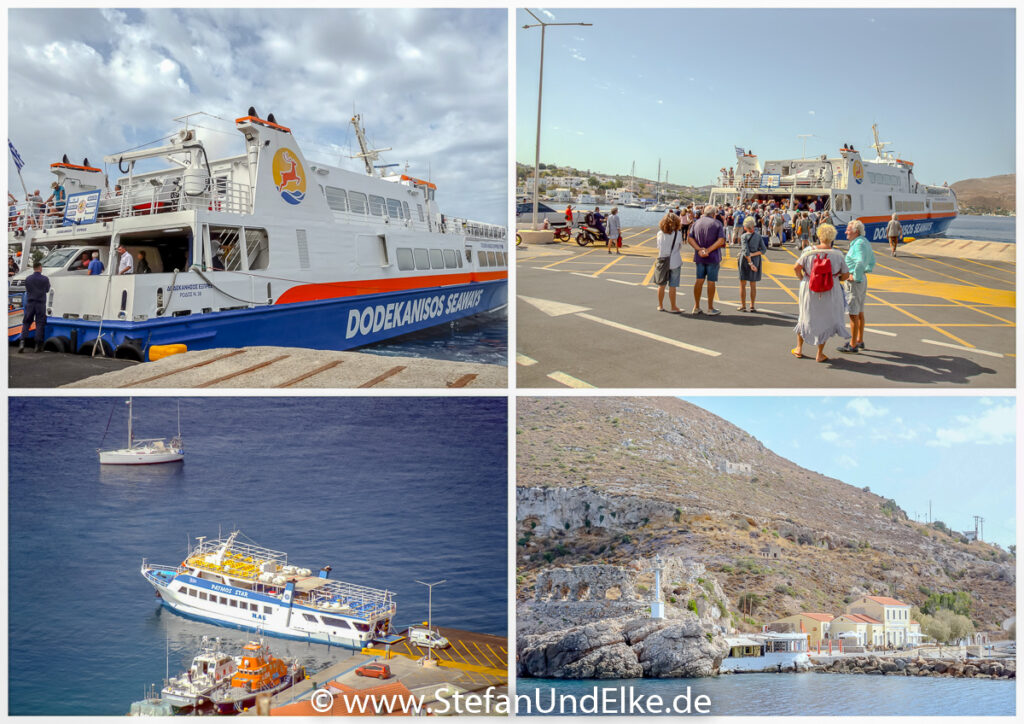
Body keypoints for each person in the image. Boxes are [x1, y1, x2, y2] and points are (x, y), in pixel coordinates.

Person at [792, 223, 851, 362]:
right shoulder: (838, 254)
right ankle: (820, 353)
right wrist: (836, 279)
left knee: (805, 316)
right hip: (830, 289)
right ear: (832, 237)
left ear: (819, 235)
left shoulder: (808, 250)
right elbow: (846, 274)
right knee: (825, 319)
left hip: (809, 287)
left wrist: (802, 278)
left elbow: (796, 267)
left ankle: (799, 348)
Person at [838, 220, 875, 354]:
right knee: (859, 311)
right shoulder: (864, 241)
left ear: (856, 231)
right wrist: (866, 270)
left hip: (855, 281)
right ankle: (859, 339)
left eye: (848, 230)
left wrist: (855, 275)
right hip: (862, 280)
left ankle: (853, 345)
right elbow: (872, 260)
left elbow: (859, 261)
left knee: (853, 313)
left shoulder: (858, 244)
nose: (846, 232)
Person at [687, 205, 726, 315]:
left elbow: (690, 239)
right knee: (711, 282)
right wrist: (708, 250)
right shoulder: (717, 224)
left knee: (699, 280)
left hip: (699, 257)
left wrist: (699, 250)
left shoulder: (696, 223)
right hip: (713, 257)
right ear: (714, 214)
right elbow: (721, 240)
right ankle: (710, 307)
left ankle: (696, 306)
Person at [655, 212, 683, 313]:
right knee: (673, 286)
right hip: (675, 261)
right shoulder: (678, 234)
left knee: (661, 285)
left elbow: (659, 247)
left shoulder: (660, 233)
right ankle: (673, 306)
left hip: (662, 261)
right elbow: (679, 247)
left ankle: (660, 305)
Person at [737, 216, 766, 312]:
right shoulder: (758, 236)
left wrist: (750, 263)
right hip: (756, 259)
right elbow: (763, 250)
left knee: (742, 283)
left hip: (745, 261)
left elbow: (745, 251)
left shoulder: (744, 236)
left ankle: (743, 305)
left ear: (745, 227)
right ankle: (752, 306)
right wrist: (754, 254)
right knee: (753, 284)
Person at [19, 261, 49, 353]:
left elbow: (28, 290)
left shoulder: (28, 279)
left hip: (30, 303)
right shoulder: (45, 279)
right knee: (39, 323)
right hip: (40, 304)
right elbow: (47, 290)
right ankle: (37, 345)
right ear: (40, 268)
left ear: (33, 268)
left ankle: (22, 342)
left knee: (26, 322)